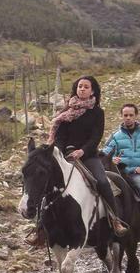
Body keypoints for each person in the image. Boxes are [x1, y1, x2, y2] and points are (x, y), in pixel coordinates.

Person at [49, 76, 128, 236]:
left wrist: (82, 151)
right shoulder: (66, 111)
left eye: (86, 87)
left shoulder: (97, 113)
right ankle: (41, 227)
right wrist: (59, 151)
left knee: (102, 182)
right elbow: (59, 135)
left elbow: (95, 137)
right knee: (47, 182)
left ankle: (115, 219)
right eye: (80, 86)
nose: (82, 89)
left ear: (93, 91)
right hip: (65, 155)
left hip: (88, 156)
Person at [102, 103, 140, 245]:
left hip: (136, 174)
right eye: (125, 115)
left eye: (131, 115)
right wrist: (112, 158)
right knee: (104, 195)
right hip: (119, 174)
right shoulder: (115, 137)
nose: (128, 118)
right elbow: (105, 153)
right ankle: (108, 228)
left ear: (136, 116)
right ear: (121, 117)